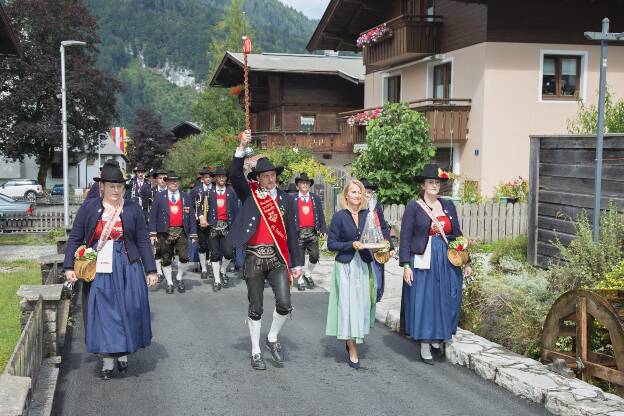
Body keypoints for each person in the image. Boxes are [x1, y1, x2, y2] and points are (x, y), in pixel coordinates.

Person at [64, 162, 157, 380]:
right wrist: (69, 266)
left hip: (128, 266)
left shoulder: (132, 208)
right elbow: (75, 238)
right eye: (112, 186)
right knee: (104, 313)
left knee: (129, 309)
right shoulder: (89, 208)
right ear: (102, 186)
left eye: (120, 186)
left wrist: (151, 270)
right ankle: (107, 360)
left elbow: (142, 240)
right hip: (99, 269)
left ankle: (123, 353)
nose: (116, 190)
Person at [227, 130, 303, 370]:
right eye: (266, 176)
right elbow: (234, 174)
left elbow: (292, 232)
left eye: (273, 175)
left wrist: (297, 263)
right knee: (256, 308)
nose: (271, 179)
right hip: (254, 257)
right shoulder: (250, 194)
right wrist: (241, 146)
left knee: (284, 304)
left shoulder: (286, 200)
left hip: (278, 258)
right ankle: (256, 350)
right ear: (258, 179)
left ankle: (271, 338)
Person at [399, 164, 472, 365]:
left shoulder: (448, 205)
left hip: (446, 258)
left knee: (448, 297)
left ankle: (439, 336)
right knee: (427, 301)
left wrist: (467, 261)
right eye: (430, 182)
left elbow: (456, 234)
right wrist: (406, 265)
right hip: (423, 259)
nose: (434, 185)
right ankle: (425, 343)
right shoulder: (414, 207)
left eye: (437, 182)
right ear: (423, 185)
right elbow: (405, 237)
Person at [325, 179, 375, 369]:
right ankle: (351, 345)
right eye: (353, 192)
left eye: (359, 192)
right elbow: (331, 245)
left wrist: (386, 247)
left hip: (362, 264)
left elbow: (378, 235)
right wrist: (350, 245)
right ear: (346, 195)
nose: (357, 195)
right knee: (347, 305)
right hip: (345, 264)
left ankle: (355, 336)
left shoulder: (367, 215)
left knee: (361, 305)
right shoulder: (339, 217)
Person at [149, 171, 198, 294]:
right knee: (166, 258)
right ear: (167, 182)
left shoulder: (185, 196)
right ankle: (170, 282)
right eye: (171, 181)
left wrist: (193, 233)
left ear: (179, 182)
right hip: (164, 232)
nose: (174, 183)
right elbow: (153, 215)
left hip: (181, 230)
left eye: (176, 181)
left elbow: (191, 215)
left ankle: (179, 277)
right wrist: (153, 233)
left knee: (184, 256)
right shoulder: (159, 196)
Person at [360, 178, 395, 302]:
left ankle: (374, 301)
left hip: (377, 245)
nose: (367, 195)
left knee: (378, 281)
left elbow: (383, 226)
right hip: (362, 247)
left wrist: (390, 246)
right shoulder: (356, 208)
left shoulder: (376, 205)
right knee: (366, 281)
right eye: (365, 192)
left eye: (369, 192)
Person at [290, 172, 326, 291]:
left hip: (312, 231)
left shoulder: (315, 198)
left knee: (315, 255)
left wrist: (323, 228)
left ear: (309, 185)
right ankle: (300, 280)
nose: (304, 185)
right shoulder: (292, 199)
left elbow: (320, 214)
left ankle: (308, 273)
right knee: (299, 258)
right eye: (302, 183)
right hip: (298, 232)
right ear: (298, 185)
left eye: (306, 183)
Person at [206, 166, 238, 291]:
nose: (221, 178)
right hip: (213, 226)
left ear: (225, 178)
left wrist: (235, 227)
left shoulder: (231, 192)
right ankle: (217, 280)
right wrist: (203, 218)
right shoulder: (209, 192)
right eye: (219, 176)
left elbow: (235, 211)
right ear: (215, 178)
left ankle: (223, 269)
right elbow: (202, 208)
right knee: (214, 254)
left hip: (226, 226)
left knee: (229, 253)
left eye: (223, 176)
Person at [190, 167, 214, 280]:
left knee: (213, 245)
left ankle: (210, 266)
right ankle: (203, 268)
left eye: (209, 177)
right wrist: (199, 217)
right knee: (203, 245)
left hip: (213, 222)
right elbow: (193, 206)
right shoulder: (196, 190)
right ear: (202, 179)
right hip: (200, 222)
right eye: (206, 177)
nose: (208, 179)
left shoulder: (215, 189)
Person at [149, 168, 168, 281]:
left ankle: (166, 266)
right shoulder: (151, 191)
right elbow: (146, 208)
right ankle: (159, 271)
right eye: (160, 178)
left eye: (164, 178)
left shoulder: (172, 191)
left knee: (167, 249)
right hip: (154, 222)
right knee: (156, 247)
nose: (162, 180)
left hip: (168, 223)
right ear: (156, 179)